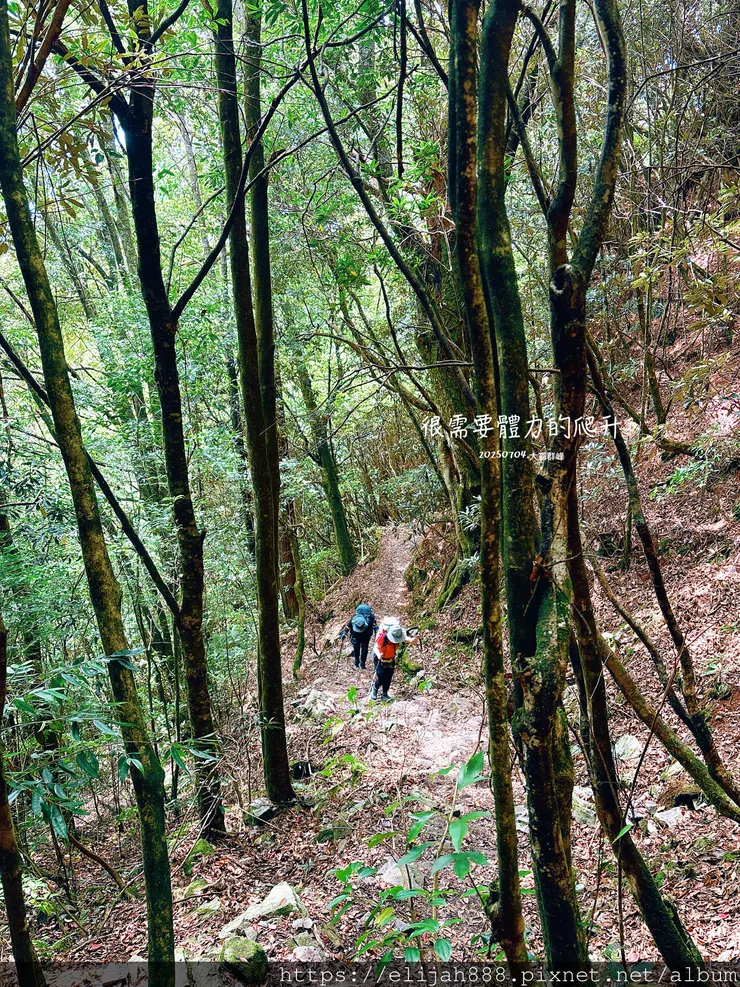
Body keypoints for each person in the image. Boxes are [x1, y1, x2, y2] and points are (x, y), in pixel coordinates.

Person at [370, 619, 418, 701]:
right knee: (381, 676)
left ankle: (384, 694)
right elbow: (375, 647)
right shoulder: (383, 637)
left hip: (390, 659)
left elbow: (411, 641)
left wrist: (416, 638)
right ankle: (375, 688)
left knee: (388, 676)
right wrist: (379, 655)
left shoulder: (399, 636)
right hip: (379, 658)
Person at [340, 604, 378, 669]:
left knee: (363, 649)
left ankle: (361, 663)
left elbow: (374, 625)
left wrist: (345, 632)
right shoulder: (355, 620)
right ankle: (357, 661)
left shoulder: (368, 621)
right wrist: (344, 633)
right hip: (361, 636)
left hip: (363, 636)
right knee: (359, 648)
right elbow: (348, 626)